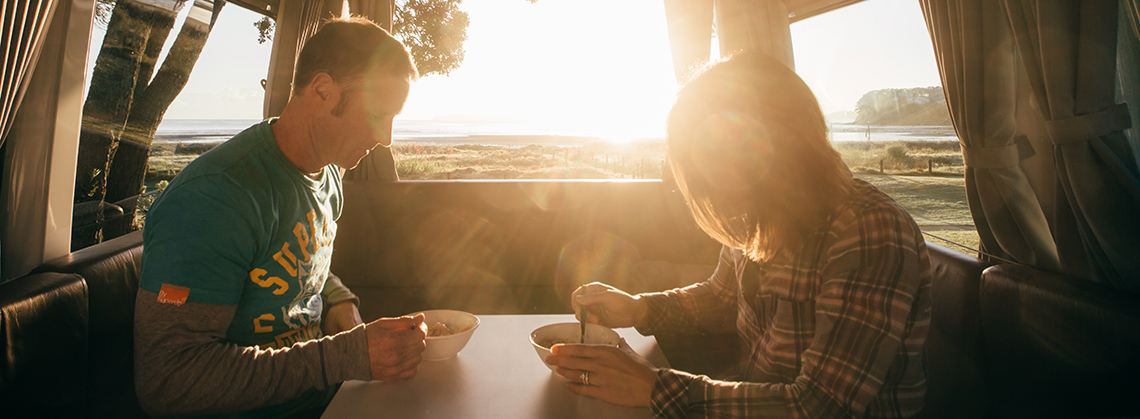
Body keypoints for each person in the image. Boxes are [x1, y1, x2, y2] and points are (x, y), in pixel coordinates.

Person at [545, 52, 932, 418]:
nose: (713, 191)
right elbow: (722, 297)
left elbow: (819, 407)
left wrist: (654, 386)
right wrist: (638, 308)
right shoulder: (759, 216)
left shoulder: (868, 232)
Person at [134, 17, 426, 418]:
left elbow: (298, 264)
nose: (387, 138)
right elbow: (168, 381)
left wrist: (337, 299)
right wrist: (342, 357)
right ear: (323, 91)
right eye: (379, 113)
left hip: (328, 399)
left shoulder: (328, 174)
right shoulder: (215, 199)